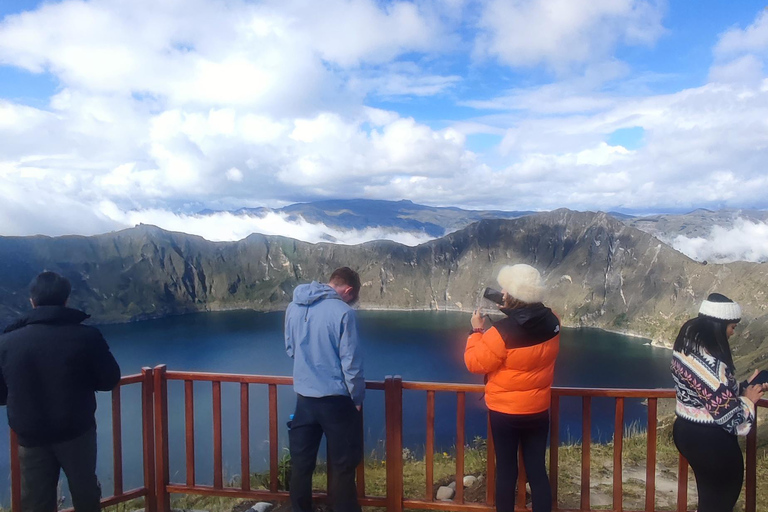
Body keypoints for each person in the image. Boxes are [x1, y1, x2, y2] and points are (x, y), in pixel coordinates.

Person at [0, 271, 121, 512]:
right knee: (85, 491)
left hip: (30, 435)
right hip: (77, 431)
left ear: (32, 301)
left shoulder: (7, 342)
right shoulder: (86, 336)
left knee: (35, 500)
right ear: (66, 300)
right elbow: (109, 379)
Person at [464, 264, 560, 512]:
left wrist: (476, 331)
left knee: (506, 471)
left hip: (505, 412)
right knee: (537, 469)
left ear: (515, 295)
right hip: (538, 409)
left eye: (507, 288)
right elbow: (529, 327)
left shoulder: (499, 333)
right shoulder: (553, 322)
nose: (502, 291)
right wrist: (514, 311)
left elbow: (475, 363)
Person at [671, 293, 768, 512]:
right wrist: (749, 400)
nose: (733, 333)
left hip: (686, 431)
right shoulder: (711, 364)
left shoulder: (686, 348)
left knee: (708, 498)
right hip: (711, 442)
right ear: (718, 325)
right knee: (720, 503)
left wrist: (743, 387)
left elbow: (708, 394)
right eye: (732, 327)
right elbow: (732, 419)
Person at [284, 267, 364, 512]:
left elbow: (290, 349)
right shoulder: (343, 312)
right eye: (353, 297)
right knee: (342, 465)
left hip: (304, 398)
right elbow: (350, 364)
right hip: (336, 401)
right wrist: (357, 397)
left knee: (301, 463)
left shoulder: (293, 307)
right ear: (348, 291)